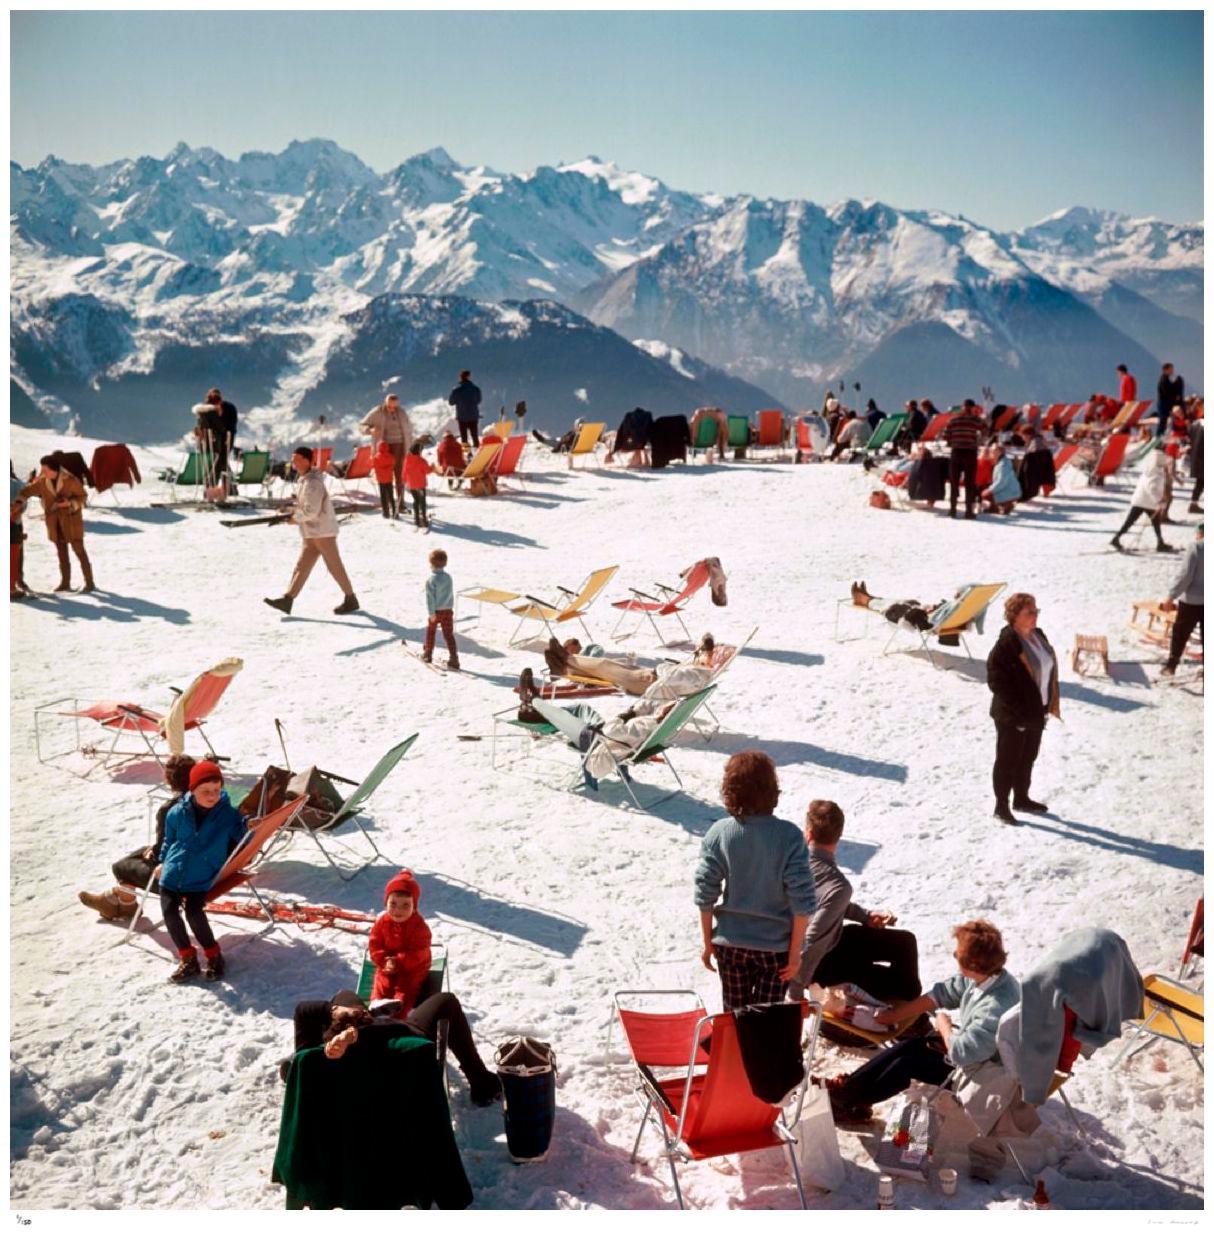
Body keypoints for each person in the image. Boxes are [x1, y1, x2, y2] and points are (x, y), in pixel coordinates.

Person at [819, 920, 1020, 1125]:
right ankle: (848, 1088)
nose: (955, 956)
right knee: (911, 1045)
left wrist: (945, 1027)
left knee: (907, 1064)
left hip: (984, 1075)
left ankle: (848, 1100)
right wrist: (895, 1016)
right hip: (975, 1055)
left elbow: (963, 1054)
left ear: (973, 964)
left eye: (958, 954)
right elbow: (944, 993)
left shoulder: (994, 1006)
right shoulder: (988, 976)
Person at [693, 751, 816, 1009]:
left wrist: (707, 942)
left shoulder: (720, 832)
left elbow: (705, 892)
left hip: (731, 945)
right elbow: (802, 902)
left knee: (734, 1017)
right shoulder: (790, 836)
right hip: (776, 948)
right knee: (764, 1022)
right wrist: (795, 954)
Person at [790, 800, 921, 1005]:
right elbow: (814, 940)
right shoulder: (838, 885)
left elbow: (825, 904)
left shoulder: (793, 863)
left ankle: (894, 1003)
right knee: (907, 985)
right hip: (818, 965)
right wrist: (795, 991)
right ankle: (904, 1011)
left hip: (827, 945)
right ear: (839, 836)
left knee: (904, 943)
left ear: (808, 833)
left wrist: (865, 916)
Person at [291, 988, 502, 1106]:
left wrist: (336, 1014)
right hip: (389, 1041)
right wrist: (350, 1025)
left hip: (352, 1046)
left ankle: (365, 1013)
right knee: (447, 1001)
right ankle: (482, 1082)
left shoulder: (307, 1065)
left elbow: (303, 1011)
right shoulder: (393, 1045)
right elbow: (412, 1045)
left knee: (345, 995)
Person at [157, 760, 250, 982]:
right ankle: (188, 958)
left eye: (216, 790)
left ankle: (214, 955)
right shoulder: (176, 812)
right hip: (173, 872)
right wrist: (162, 862)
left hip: (202, 874)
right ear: (192, 789)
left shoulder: (228, 815)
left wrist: (250, 826)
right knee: (170, 912)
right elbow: (169, 841)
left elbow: (243, 836)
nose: (212, 796)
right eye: (205, 791)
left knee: (193, 913)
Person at [77, 754, 197, 920]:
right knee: (142, 851)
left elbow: (164, 853)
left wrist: (154, 853)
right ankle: (119, 902)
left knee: (121, 867)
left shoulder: (171, 809)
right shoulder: (210, 801)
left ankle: (123, 903)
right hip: (209, 869)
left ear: (169, 780)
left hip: (182, 881)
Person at [986, 592, 1059, 826]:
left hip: (1037, 711)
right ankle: (1001, 806)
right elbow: (996, 681)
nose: (1035, 615)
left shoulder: (1038, 635)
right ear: (1015, 616)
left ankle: (1021, 798)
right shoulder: (1007, 643)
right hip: (1013, 715)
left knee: (1028, 757)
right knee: (1008, 760)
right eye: (1030, 612)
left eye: (1036, 611)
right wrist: (1018, 712)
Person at [264, 447, 360, 616]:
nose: (293, 462)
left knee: (334, 566)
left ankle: (350, 598)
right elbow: (305, 506)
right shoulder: (304, 480)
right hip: (312, 532)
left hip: (322, 532)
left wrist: (295, 518)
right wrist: (289, 511)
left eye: (297, 459)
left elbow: (311, 511)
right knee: (302, 566)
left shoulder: (313, 483)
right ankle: (288, 599)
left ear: (307, 460)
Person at [19, 453, 94, 592]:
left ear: (54, 469)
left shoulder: (70, 480)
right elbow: (27, 491)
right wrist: (17, 500)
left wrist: (69, 503)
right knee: (61, 554)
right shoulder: (43, 481)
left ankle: (89, 583)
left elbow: (83, 496)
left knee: (80, 552)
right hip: (55, 524)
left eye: (45, 469)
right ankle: (65, 583)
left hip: (71, 522)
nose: (43, 472)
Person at [369, 870, 433, 1012]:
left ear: (414, 906)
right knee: (382, 980)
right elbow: (375, 944)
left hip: (412, 966)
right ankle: (377, 1003)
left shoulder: (419, 926)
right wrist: (384, 960)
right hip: (388, 963)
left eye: (405, 905)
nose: (398, 910)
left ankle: (399, 1008)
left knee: (406, 985)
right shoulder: (382, 922)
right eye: (393, 904)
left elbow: (420, 951)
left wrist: (398, 961)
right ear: (386, 903)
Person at [847, 581, 962, 645]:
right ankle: (866, 596)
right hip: (916, 611)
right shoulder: (956, 615)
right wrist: (931, 609)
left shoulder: (947, 615)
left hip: (904, 614)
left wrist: (926, 611)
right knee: (894, 602)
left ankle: (862, 598)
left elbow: (924, 623)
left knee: (887, 605)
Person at [1110, 442, 1176, 553]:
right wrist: (1160, 502)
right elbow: (1152, 488)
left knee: (1138, 522)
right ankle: (1159, 543)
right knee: (1149, 523)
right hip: (1147, 502)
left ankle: (1159, 542)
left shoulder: (1151, 467)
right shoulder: (1156, 472)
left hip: (1141, 500)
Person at [1160, 522, 1203, 677]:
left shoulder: (1197, 547)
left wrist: (1171, 596)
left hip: (1192, 600)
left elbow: (1186, 575)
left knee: (1180, 633)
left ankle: (1171, 665)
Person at [360, 393, 413, 510]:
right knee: (386, 476)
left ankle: (401, 503)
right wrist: (370, 430)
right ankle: (389, 503)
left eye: (395, 406)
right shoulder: (377, 412)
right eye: (390, 406)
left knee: (400, 475)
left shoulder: (402, 412)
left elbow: (409, 429)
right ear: (385, 403)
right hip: (384, 449)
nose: (392, 409)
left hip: (400, 446)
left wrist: (411, 446)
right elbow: (361, 425)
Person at [943, 399, 986, 518]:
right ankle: (968, 512)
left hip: (956, 453)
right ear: (973, 408)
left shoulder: (953, 420)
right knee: (969, 483)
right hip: (970, 453)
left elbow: (945, 436)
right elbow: (986, 430)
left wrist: (953, 442)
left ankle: (953, 510)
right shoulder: (975, 420)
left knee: (954, 482)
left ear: (962, 407)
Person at [422, 548, 459, 669]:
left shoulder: (431, 580)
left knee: (431, 631)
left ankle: (428, 653)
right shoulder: (448, 577)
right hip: (448, 611)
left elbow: (430, 599)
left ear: (431, 564)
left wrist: (431, 613)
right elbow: (450, 594)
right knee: (449, 634)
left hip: (436, 611)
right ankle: (454, 658)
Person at [981, 444, 1022, 514]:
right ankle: (995, 507)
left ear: (999, 452)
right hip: (1008, 489)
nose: (991, 451)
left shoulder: (1003, 465)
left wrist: (990, 490)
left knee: (985, 494)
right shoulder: (1000, 461)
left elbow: (1001, 482)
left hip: (1011, 491)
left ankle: (1007, 504)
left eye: (993, 450)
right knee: (986, 489)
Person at [403, 442, 435, 530]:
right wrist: (432, 467)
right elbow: (427, 470)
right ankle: (424, 520)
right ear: (419, 451)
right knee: (422, 502)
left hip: (412, 485)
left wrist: (404, 480)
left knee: (416, 501)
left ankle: (416, 519)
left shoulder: (407, 460)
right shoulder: (421, 461)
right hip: (420, 485)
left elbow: (404, 472)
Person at [448, 370, 482, 447]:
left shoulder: (456, 390)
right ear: (469, 377)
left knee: (464, 438)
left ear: (460, 378)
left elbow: (451, 402)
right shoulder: (475, 389)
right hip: (473, 415)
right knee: (474, 436)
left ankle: (466, 452)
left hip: (462, 416)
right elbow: (478, 400)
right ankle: (477, 450)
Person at [371, 441, 399, 519]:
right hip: (389, 479)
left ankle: (385, 512)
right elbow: (394, 463)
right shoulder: (391, 456)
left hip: (381, 480)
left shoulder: (376, 457)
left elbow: (373, 465)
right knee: (391, 496)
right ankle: (394, 512)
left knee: (383, 497)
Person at [1156, 363, 1184, 438]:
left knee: (1165, 421)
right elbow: (1167, 392)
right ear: (1166, 370)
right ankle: (1158, 437)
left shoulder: (1167, 379)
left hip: (1166, 404)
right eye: (1171, 369)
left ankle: (1162, 436)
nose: (1172, 371)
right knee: (1163, 421)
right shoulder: (1163, 380)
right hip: (1163, 404)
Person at [10, 497, 28, 600]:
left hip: (14, 540)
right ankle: (11, 590)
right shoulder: (12, 515)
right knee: (12, 565)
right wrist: (19, 537)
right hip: (12, 543)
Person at [1187, 418, 1203, 513]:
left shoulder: (1195, 424)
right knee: (1200, 482)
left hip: (1196, 458)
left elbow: (1189, 440)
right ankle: (1193, 505)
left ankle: (1193, 504)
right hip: (1202, 458)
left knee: (1200, 482)